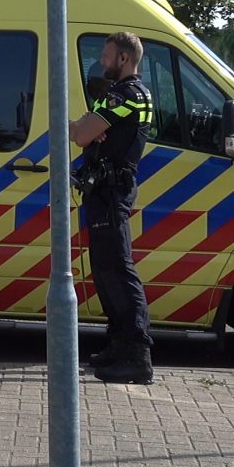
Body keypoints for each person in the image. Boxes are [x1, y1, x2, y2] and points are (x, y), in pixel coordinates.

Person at [68, 31, 156, 385]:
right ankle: (118, 346)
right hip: (106, 190)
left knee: (118, 269)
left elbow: (79, 134)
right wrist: (89, 127)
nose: (101, 63)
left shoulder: (125, 94)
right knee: (105, 269)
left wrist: (82, 126)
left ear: (123, 59)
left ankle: (137, 355)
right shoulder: (126, 96)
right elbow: (89, 130)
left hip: (111, 191)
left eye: (106, 56)